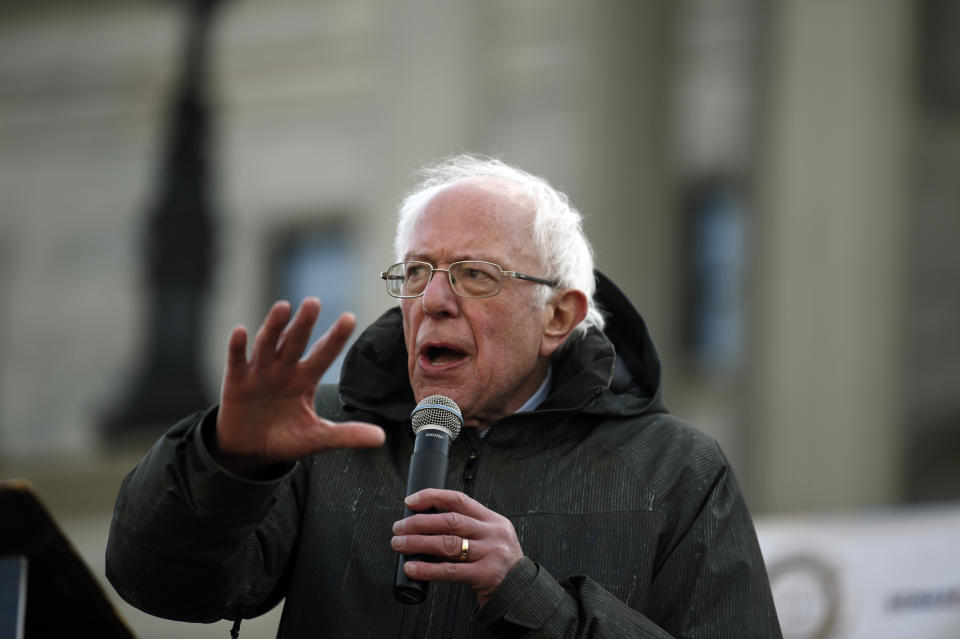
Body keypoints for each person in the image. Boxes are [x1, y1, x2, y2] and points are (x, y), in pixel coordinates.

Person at [106, 155, 782, 638]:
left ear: (559, 316)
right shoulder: (324, 434)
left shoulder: (678, 471)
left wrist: (528, 596)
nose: (433, 299)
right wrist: (227, 462)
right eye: (417, 272)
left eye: (474, 274)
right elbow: (157, 584)